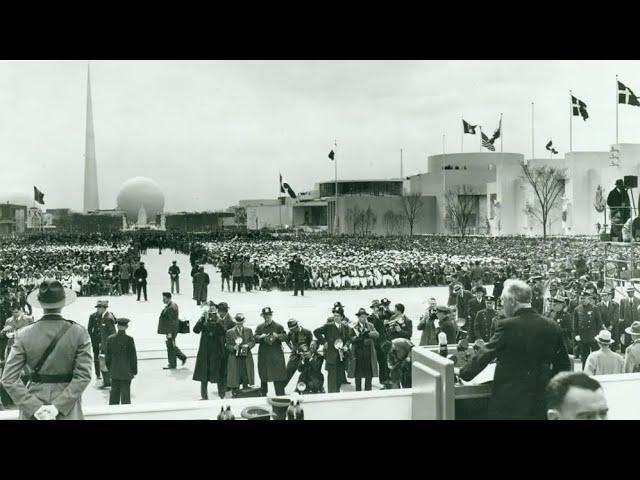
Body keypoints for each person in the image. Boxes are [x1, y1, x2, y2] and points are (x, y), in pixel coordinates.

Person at [459, 279, 571, 420]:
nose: (502, 305)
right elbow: (563, 365)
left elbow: (485, 354)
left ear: (512, 301)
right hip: (541, 401)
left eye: (503, 301)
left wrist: (464, 373)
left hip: (510, 403)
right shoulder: (552, 325)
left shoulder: (507, 326)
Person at [1, 279, 92, 420]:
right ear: (63, 302)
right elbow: (83, 376)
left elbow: (8, 378)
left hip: (34, 402)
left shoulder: (23, 334)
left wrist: (34, 407)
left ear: (40, 303)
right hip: (67, 408)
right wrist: (58, 407)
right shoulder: (79, 332)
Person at [313, 306, 353, 393]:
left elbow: (349, 338)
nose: (335, 317)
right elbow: (316, 331)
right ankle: (331, 395)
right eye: (334, 315)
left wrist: (346, 345)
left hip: (341, 357)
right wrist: (324, 342)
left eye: (338, 316)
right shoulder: (328, 326)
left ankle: (337, 395)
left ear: (342, 317)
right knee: (331, 379)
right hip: (331, 356)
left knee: (339, 378)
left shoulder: (345, 327)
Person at [192, 302, 228, 399]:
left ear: (216, 311)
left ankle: (222, 395)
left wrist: (217, 322)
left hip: (216, 352)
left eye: (213, 310)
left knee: (219, 374)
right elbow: (195, 330)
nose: (211, 313)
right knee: (204, 375)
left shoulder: (219, 321)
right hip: (205, 352)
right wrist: (202, 318)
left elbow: (223, 332)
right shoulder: (204, 320)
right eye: (210, 311)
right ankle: (204, 396)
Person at [254, 307, 287, 396]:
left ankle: (280, 395)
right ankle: (263, 394)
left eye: (268, 315)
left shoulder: (278, 326)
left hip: (276, 356)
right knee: (264, 376)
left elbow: (285, 337)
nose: (267, 317)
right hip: (264, 355)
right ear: (263, 316)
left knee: (278, 377)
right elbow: (254, 338)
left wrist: (278, 336)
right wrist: (260, 337)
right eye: (265, 316)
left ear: (271, 315)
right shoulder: (260, 327)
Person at [104, 318, 137, 405]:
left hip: (114, 371)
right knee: (126, 397)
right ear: (126, 327)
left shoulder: (110, 339)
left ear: (117, 326)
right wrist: (134, 371)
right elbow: (133, 357)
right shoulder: (129, 339)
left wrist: (109, 369)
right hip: (126, 372)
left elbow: (107, 357)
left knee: (114, 395)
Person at [348, 308, 379, 391]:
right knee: (358, 376)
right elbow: (350, 338)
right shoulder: (354, 326)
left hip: (368, 354)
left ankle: (368, 393)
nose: (364, 319)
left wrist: (368, 333)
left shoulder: (370, 325)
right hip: (358, 354)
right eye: (362, 317)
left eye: (365, 317)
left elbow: (377, 334)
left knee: (369, 376)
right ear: (358, 317)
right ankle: (358, 393)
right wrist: (359, 337)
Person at [225, 313, 255, 395]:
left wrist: (248, 346)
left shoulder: (249, 330)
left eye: (241, 323)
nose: (240, 325)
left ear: (243, 322)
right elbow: (227, 345)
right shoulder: (229, 332)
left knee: (246, 373)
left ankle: (246, 389)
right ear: (235, 322)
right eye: (238, 323)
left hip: (246, 356)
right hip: (235, 357)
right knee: (235, 375)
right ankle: (236, 391)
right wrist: (233, 347)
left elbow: (253, 341)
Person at [574, 291, 604, 369]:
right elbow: (575, 324)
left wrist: (598, 334)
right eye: (581, 298)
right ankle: (585, 371)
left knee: (595, 355)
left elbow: (599, 323)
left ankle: (597, 370)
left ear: (589, 298)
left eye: (584, 298)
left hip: (593, 336)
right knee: (584, 357)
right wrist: (576, 335)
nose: (582, 300)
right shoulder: (577, 309)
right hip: (583, 337)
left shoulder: (594, 308)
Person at [157, 292, 187, 370]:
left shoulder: (171, 307)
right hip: (171, 330)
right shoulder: (172, 305)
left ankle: (172, 364)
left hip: (171, 330)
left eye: (164, 299)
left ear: (169, 298)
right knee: (171, 345)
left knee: (170, 346)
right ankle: (182, 357)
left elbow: (171, 321)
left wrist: (169, 332)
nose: (163, 300)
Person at [284, 318, 314, 387]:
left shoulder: (307, 332)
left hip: (305, 357)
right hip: (294, 356)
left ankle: (303, 389)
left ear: (297, 326)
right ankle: (281, 391)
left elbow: (312, 344)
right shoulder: (291, 333)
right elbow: (287, 341)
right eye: (290, 330)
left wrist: (308, 352)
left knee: (305, 375)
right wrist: (292, 348)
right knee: (287, 373)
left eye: (293, 329)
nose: (291, 331)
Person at [94, 300, 116, 389]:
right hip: (104, 345)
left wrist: (110, 346)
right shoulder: (104, 316)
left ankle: (110, 382)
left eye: (99, 308)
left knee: (107, 363)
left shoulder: (108, 318)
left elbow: (112, 333)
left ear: (103, 308)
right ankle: (107, 381)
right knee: (103, 363)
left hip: (108, 346)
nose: (97, 309)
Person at [619, 285, 640, 353]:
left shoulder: (638, 300)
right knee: (627, 340)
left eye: (631, 292)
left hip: (636, 325)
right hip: (626, 324)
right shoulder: (623, 301)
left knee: (636, 339)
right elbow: (621, 314)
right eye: (628, 292)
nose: (630, 293)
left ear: (634, 292)